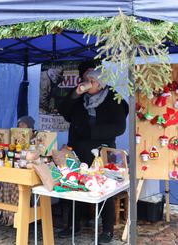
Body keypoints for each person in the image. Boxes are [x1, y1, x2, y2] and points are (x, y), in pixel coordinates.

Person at [57, 61, 128, 243]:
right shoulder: (80, 96)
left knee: (104, 188)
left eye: (91, 79)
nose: (87, 82)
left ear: (100, 81)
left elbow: (119, 127)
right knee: (74, 184)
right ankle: (74, 224)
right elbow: (63, 111)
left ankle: (107, 230)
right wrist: (75, 93)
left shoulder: (113, 97)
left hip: (103, 149)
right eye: (85, 78)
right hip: (78, 148)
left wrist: (92, 133)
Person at [0, 115, 35, 226]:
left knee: (17, 185)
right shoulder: (15, 139)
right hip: (16, 168)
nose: (20, 127)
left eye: (23, 124)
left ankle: (17, 216)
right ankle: (8, 214)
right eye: (19, 125)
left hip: (28, 171)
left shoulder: (35, 140)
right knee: (6, 182)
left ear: (30, 127)